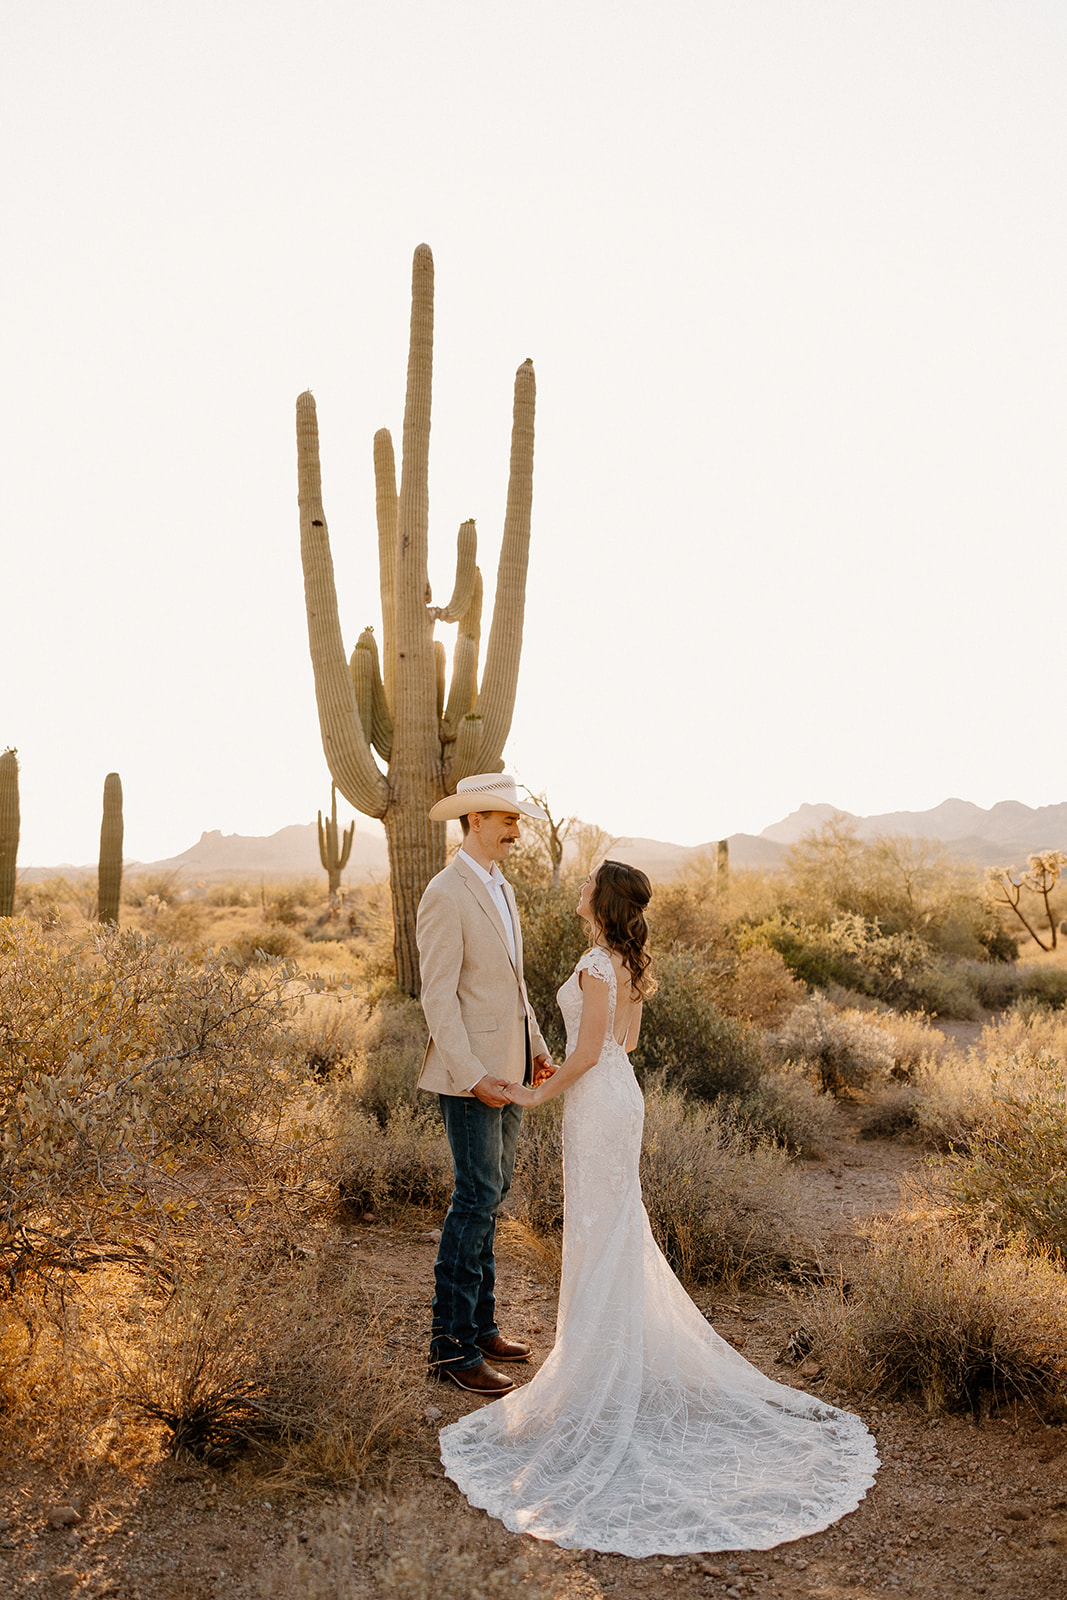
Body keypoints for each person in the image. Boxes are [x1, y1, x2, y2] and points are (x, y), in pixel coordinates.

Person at [439, 860, 879, 1556]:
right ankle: (612, 1360)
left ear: (599, 901)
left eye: (586, 883)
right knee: (611, 1226)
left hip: (594, 1102)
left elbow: (587, 1054)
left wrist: (533, 1094)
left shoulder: (593, 962)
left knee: (599, 1229)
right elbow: (623, 1045)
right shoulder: (625, 961)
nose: (578, 890)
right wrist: (576, 1070)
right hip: (619, 1095)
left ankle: (597, 1375)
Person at [417, 772, 554, 1397]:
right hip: (472, 1074)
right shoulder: (446, 893)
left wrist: (538, 1049)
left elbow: (513, 986)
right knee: (474, 1198)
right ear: (475, 821)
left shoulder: (500, 888)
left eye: (517, 821)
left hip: (513, 1066)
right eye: (508, 821)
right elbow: (438, 997)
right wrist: (472, 1076)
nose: (517, 832)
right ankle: (452, 1348)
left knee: (493, 1195)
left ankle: (484, 1324)